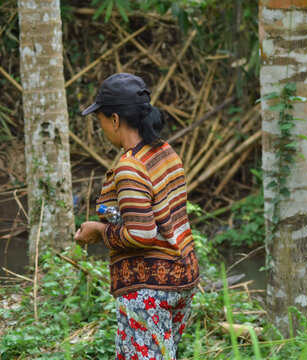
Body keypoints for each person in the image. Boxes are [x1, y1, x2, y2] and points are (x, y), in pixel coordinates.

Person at [74, 73, 199, 360]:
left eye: (101, 120)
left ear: (115, 119)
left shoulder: (130, 167)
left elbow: (142, 234)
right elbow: (157, 212)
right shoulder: (165, 152)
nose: (102, 126)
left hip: (150, 289)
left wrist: (98, 230)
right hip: (183, 277)